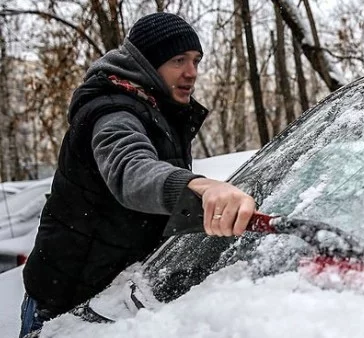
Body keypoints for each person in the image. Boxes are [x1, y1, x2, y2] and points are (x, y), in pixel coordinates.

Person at [19, 12, 256, 337]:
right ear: (146, 63)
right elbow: (130, 170)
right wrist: (196, 185)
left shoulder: (158, 110)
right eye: (178, 60)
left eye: (196, 61)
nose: (192, 72)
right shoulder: (112, 111)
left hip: (118, 300)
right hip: (64, 309)